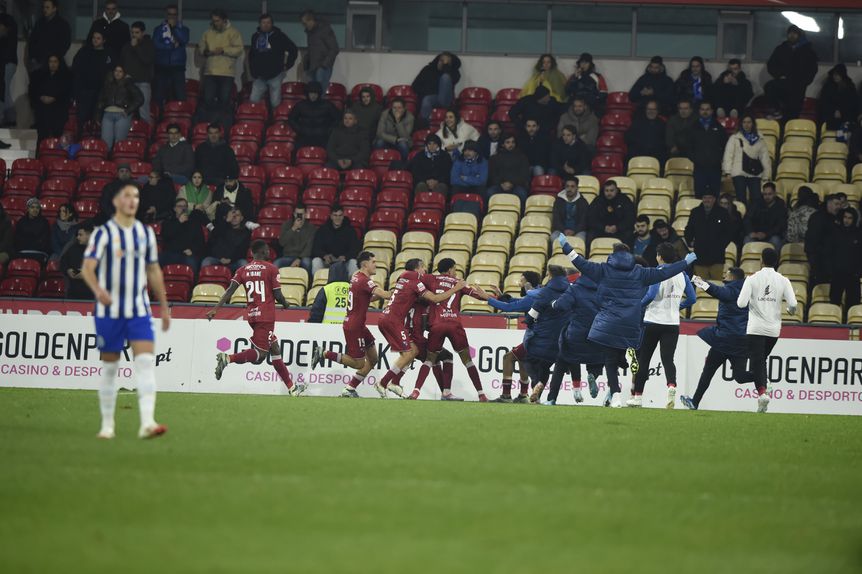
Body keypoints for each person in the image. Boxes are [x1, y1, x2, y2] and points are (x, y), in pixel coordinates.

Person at [559, 237, 697, 407]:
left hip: (609, 322)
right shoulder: (640, 272)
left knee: (610, 360)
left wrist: (566, 247)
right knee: (634, 357)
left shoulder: (603, 270)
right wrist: (685, 263)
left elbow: (580, 263)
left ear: (613, 255)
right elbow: (664, 273)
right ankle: (642, 384)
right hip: (632, 323)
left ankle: (616, 396)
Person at [80, 183, 170, 439]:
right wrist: (98, 291)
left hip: (139, 310)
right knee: (110, 368)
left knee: (145, 363)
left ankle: (147, 423)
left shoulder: (145, 233)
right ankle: (107, 426)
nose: (133, 200)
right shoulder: (103, 233)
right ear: (116, 201)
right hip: (109, 311)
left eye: (136, 196)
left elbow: (153, 270)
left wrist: (164, 307)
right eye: (127, 195)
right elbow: (87, 268)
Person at [209, 240, 305, 396]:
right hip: (266, 316)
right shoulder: (271, 268)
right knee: (260, 354)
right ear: (263, 251)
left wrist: (215, 309)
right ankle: (228, 358)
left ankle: (292, 388)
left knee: (274, 348)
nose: (269, 252)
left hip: (252, 315)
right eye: (267, 250)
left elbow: (229, 291)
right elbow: (278, 294)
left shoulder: (242, 270)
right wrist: (286, 304)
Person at [374, 259, 465, 398]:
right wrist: (455, 288)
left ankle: (395, 382)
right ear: (417, 269)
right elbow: (435, 298)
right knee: (430, 355)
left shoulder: (404, 280)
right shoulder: (416, 283)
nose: (425, 271)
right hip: (406, 329)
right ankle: (386, 383)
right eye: (423, 267)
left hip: (392, 321)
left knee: (415, 354)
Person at [407, 258, 492, 401]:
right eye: (455, 269)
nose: (455, 272)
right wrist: (496, 297)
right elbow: (479, 296)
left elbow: (412, 280)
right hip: (454, 324)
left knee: (429, 360)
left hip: (437, 324)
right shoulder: (459, 282)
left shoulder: (430, 278)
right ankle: (481, 394)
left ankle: (416, 392)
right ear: (450, 269)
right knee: (468, 361)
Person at [310, 251, 389, 396]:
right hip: (354, 326)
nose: (376, 265)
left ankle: (350, 388)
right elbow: (385, 295)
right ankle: (325, 353)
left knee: (373, 359)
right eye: (373, 262)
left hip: (358, 324)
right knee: (359, 363)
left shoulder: (356, 278)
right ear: (365, 264)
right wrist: (402, 290)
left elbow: (366, 299)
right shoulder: (364, 280)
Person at [628, 243, 696, 408]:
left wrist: (638, 306)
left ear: (659, 256)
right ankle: (671, 386)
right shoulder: (682, 274)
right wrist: (677, 306)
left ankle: (637, 398)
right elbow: (692, 298)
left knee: (644, 360)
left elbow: (651, 294)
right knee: (668, 359)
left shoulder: (656, 272)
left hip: (652, 322)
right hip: (672, 324)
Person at [680, 268, 753, 410]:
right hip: (741, 342)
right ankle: (762, 379)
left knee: (708, 372)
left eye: (727, 274)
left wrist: (697, 281)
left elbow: (715, 290)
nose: (724, 275)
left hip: (723, 340)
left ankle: (695, 402)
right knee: (740, 377)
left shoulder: (731, 291)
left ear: (733, 277)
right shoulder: (748, 292)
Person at [736, 247, 797, 413]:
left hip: (756, 328)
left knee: (758, 362)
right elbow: (793, 304)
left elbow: (741, 303)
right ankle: (764, 387)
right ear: (777, 261)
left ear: (761, 260)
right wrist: (790, 311)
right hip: (773, 330)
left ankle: (763, 393)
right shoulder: (784, 280)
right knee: (760, 361)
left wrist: (754, 301)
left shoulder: (752, 279)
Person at [486, 271, 542, 403]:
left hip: (535, 338)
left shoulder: (532, 297)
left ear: (528, 283)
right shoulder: (538, 293)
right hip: (539, 336)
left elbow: (510, 307)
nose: (519, 284)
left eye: (521, 281)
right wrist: (501, 295)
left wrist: (488, 299)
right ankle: (523, 395)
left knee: (508, 358)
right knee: (522, 359)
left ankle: (506, 396)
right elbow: (516, 301)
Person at [197, 10, 243, 127]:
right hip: (210, 72)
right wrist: (205, 51)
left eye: (217, 21)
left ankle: (223, 126)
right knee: (208, 100)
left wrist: (223, 50)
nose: (215, 23)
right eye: (213, 21)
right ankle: (211, 125)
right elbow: (201, 46)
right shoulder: (207, 33)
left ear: (224, 20)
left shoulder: (234, 33)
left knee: (224, 100)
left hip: (226, 73)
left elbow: (239, 50)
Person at [764, 25, 818, 120]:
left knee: (793, 114)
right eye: (790, 33)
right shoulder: (781, 49)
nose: (792, 35)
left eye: (794, 33)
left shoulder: (807, 51)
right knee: (769, 87)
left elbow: (813, 68)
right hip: (783, 83)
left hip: (798, 86)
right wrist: (779, 75)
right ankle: (777, 111)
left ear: (799, 35)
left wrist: (804, 82)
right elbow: (771, 64)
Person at [248, 14, 297, 109]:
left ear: (272, 24)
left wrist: (288, 65)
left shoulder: (280, 36)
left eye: (268, 22)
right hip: (259, 76)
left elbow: (293, 49)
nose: (266, 25)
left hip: (275, 75)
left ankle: (275, 119)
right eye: (263, 22)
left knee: (275, 103)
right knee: (253, 100)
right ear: (260, 24)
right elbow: (251, 55)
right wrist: (252, 71)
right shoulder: (255, 36)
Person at [72, 31, 115, 138]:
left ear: (104, 40)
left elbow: (113, 72)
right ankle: (81, 139)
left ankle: (98, 141)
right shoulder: (84, 51)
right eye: (94, 38)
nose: (95, 40)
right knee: (82, 117)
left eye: (98, 38)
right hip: (85, 91)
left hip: (102, 92)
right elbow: (76, 69)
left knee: (99, 118)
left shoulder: (109, 53)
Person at [722, 114, 771, 205]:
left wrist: (766, 175)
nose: (746, 125)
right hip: (738, 172)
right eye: (744, 122)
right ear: (741, 124)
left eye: (749, 122)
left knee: (756, 198)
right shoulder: (734, 138)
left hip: (755, 173)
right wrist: (727, 172)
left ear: (753, 124)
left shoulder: (760, 139)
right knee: (741, 198)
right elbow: (728, 155)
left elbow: (764, 157)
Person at [685, 192, 730, 280]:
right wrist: (689, 241)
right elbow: (689, 229)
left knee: (717, 285)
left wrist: (721, 245)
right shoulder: (695, 212)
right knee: (701, 285)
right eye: (705, 197)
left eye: (709, 197)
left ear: (714, 199)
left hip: (717, 257)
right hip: (700, 257)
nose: (707, 200)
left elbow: (728, 232)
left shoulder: (723, 212)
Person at [98, 64, 144, 149]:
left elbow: (140, 99)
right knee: (105, 144)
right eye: (116, 71)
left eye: (120, 71)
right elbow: (101, 100)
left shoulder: (129, 84)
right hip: (107, 114)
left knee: (119, 144)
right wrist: (98, 115)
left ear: (124, 73)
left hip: (122, 115)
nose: (117, 73)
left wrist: (128, 111)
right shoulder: (108, 84)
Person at [29, 54, 72, 142]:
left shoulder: (66, 77)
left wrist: (55, 98)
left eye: (55, 61)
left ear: (59, 63)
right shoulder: (39, 75)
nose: (53, 64)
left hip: (58, 111)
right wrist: (41, 97)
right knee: (42, 136)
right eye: (50, 61)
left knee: (57, 136)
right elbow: (33, 91)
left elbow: (67, 93)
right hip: (43, 111)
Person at [153, 5, 189, 104]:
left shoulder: (183, 29)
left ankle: (181, 113)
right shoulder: (159, 29)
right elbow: (156, 44)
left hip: (178, 67)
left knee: (180, 95)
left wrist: (174, 28)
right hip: (162, 66)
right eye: (170, 14)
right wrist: (171, 46)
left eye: (174, 14)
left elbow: (184, 40)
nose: (172, 17)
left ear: (177, 15)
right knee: (159, 95)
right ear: (166, 15)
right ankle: (160, 113)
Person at [826, 208, 862, 309]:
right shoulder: (835, 232)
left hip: (853, 275)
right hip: (837, 274)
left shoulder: (859, 234)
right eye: (845, 217)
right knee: (834, 303)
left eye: (850, 218)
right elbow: (830, 253)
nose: (847, 220)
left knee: (853, 305)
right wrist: (831, 270)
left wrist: (858, 272)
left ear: (854, 219)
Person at [121, 22, 155, 125]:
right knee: (127, 109)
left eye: (137, 32)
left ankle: (146, 131)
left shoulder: (149, 44)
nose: (134, 35)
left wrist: (136, 47)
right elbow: (122, 62)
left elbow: (147, 60)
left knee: (143, 110)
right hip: (129, 82)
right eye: (132, 32)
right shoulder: (127, 46)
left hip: (143, 82)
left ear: (143, 33)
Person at [691, 101, 727, 198]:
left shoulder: (719, 127)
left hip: (715, 167)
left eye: (707, 109)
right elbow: (689, 146)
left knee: (715, 195)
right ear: (699, 111)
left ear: (712, 111)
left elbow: (724, 146)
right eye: (702, 109)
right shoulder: (693, 127)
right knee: (699, 195)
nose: (705, 112)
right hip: (699, 168)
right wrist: (696, 158)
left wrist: (718, 158)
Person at [287, 81, 339, 148]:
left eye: (315, 93)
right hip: (304, 136)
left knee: (330, 150)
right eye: (311, 93)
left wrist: (328, 130)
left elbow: (338, 119)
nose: (313, 96)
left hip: (322, 137)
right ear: (307, 93)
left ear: (319, 94)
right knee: (295, 151)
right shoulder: (300, 105)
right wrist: (299, 130)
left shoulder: (327, 105)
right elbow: (291, 119)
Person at [804, 194, 842, 285]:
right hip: (819, 259)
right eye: (836, 204)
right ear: (829, 203)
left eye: (840, 204)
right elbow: (812, 240)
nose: (839, 207)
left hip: (830, 258)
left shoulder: (837, 217)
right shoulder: (817, 217)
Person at [311, 206, 359, 276]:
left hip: (344, 262)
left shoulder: (350, 231)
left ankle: (352, 283)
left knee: (353, 262)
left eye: (340, 215)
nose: (337, 218)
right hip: (327, 262)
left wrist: (345, 257)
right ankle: (318, 281)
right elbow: (315, 249)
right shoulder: (322, 230)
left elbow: (355, 250)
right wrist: (324, 256)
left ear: (343, 216)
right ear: (331, 216)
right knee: (316, 261)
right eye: (335, 215)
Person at [159, 197, 204, 271]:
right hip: (171, 253)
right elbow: (166, 236)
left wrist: (192, 250)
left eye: (185, 206)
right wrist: (178, 222)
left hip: (187, 255)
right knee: (157, 260)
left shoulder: (194, 223)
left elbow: (200, 241)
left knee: (192, 263)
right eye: (180, 206)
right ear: (174, 209)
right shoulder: (168, 222)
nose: (183, 208)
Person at [412, 52, 461, 121]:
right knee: (427, 99)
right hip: (433, 98)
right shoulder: (427, 70)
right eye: (441, 60)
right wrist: (429, 92)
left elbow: (455, 79)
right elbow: (415, 86)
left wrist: (446, 67)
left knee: (445, 77)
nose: (442, 63)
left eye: (446, 62)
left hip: (446, 100)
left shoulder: (453, 72)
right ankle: (424, 124)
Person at [27, 0, 72, 72]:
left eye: (47, 7)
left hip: (54, 64)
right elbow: (32, 42)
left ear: (54, 8)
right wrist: (33, 58)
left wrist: (53, 59)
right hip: (38, 63)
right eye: (43, 7)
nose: (44, 10)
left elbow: (65, 44)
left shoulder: (63, 25)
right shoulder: (39, 23)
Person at [300, 10, 338, 93]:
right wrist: (306, 63)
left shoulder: (325, 30)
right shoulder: (310, 32)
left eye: (305, 23)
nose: (304, 26)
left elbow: (334, 49)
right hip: (312, 67)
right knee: (313, 93)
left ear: (311, 20)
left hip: (322, 68)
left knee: (319, 93)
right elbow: (311, 49)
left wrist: (324, 65)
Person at [587, 180, 635, 245]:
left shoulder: (624, 200)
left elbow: (630, 218)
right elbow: (591, 218)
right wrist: (603, 227)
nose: (609, 193)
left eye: (612, 190)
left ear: (616, 190)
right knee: (590, 235)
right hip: (602, 229)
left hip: (619, 230)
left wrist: (617, 227)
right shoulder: (598, 200)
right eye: (606, 191)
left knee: (628, 235)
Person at [486, 133, 530, 204]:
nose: (511, 144)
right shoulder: (494, 158)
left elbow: (524, 175)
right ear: (502, 144)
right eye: (508, 142)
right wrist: (501, 184)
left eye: (513, 142)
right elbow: (492, 175)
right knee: (490, 192)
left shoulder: (522, 157)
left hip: (517, 185)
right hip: (499, 185)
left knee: (522, 194)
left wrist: (512, 183)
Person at [744, 182, 787, 252]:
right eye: (765, 194)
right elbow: (747, 219)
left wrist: (766, 234)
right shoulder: (756, 203)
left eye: (770, 194)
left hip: (771, 235)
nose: (767, 197)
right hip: (756, 234)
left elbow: (781, 225)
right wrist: (751, 232)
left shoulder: (780, 206)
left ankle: (773, 259)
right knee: (747, 239)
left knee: (776, 241)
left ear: (775, 194)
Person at [273, 204, 315, 274]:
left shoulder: (311, 228)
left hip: (303, 257)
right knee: (276, 263)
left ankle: (307, 281)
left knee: (307, 263)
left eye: (301, 214)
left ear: (305, 214)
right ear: (294, 214)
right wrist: (293, 228)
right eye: (297, 214)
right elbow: (282, 242)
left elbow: (309, 247)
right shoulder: (286, 225)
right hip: (288, 256)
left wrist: (299, 259)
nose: (299, 216)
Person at [816, 64, 859, 132]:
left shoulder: (849, 86)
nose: (835, 77)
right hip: (830, 116)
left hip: (846, 117)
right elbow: (824, 102)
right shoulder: (828, 86)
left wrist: (841, 111)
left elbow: (852, 103)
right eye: (834, 74)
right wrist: (833, 111)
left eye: (838, 75)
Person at [60, 221, 95, 300]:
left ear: (89, 235)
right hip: (73, 292)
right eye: (77, 235)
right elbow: (63, 262)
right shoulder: (72, 248)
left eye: (80, 235)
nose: (78, 237)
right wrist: (67, 270)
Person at [625, 100, 667, 164]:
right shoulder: (637, 122)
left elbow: (664, 143)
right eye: (649, 109)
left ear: (657, 111)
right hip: (638, 156)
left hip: (657, 157)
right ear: (645, 110)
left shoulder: (662, 124)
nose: (651, 111)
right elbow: (628, 138)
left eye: (654, 109)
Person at [551, 176, 589, 245]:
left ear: (577, 188)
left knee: (580, 240)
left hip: (578, 231)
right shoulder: (558, 201)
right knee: (554, 237)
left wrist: (574, 231)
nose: (569, 189)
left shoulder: (583, 202)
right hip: (561, 231)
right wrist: (564, 230)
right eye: (567, 186)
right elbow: (556, 219)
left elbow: (584, 221)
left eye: (572, 186)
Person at [13, 198, 51, 262]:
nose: (35, 210)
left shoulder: (45, 222)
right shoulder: (21, 222)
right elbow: (18, 239)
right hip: (23, 251)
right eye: (32, 207)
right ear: (28, 209)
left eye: (37, 208)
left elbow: (45, 241)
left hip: (39, 252)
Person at [0, 2, 18, 127]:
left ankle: (8, 118)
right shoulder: (9, 20)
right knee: (4, 89)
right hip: (7, 61)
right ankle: (9, 118)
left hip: (6, 61)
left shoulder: (6, 20)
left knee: (4, 89)